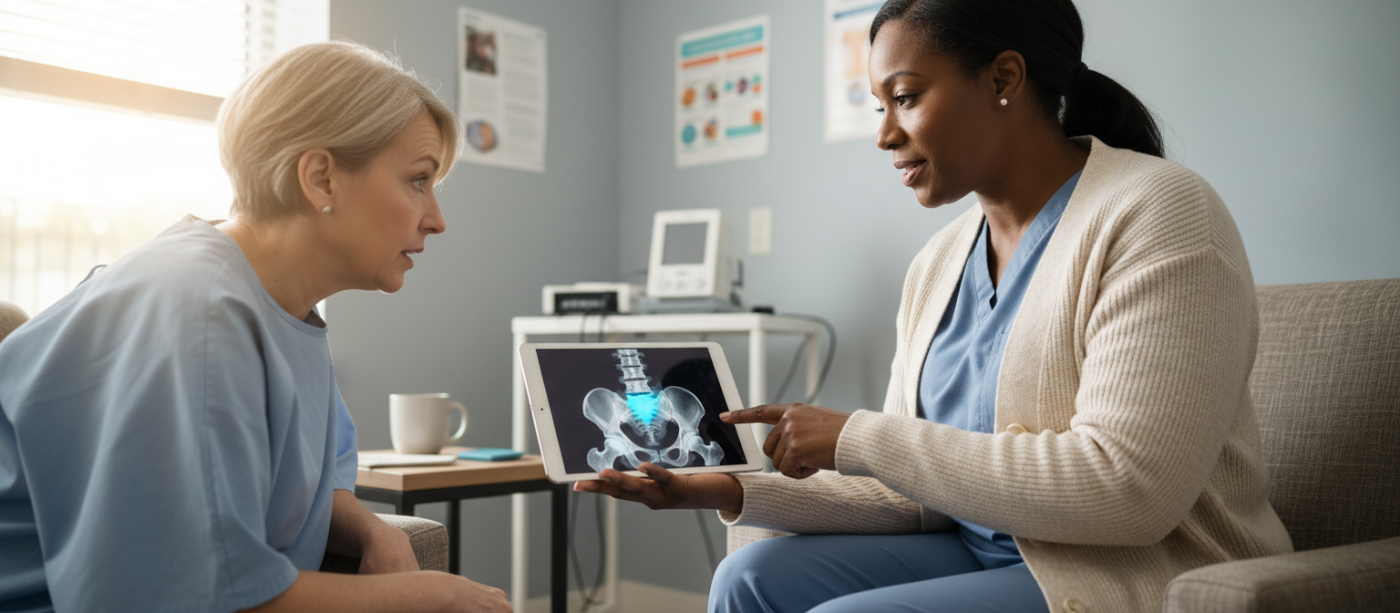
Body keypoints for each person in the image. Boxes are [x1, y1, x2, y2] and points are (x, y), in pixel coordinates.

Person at [575, 1, 1293, 611]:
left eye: (907, 97)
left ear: (1004, 78)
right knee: (748, 577)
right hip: (974, 552)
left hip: (1124, 567)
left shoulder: (1158, 210)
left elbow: (1128, 491)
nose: (884, 133)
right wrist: (728, 486)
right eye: (878, 106)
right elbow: (914, 494)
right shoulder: (938, 263)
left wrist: (858, 435)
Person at [0, 42, 511, 613]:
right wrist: (425, 594)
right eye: (418, 180)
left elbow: (306, 482)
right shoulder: (194, 309)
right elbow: (185, 594)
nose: (436, 219)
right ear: (320, 178)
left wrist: (373, 530)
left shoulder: (277, 307)